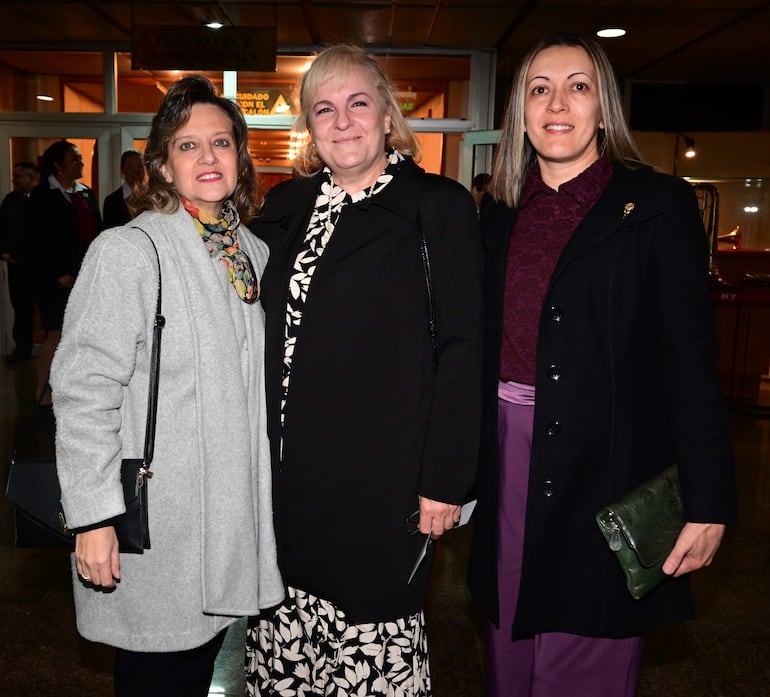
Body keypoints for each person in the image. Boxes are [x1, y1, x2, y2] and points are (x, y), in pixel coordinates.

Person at [466, 33, 737, 697]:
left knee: (584, 655)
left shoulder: (658, 206)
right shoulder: (499, 213)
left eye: (578, 86)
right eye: (539, 88)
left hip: (607, 464)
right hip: (507, 460)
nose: (558, 103)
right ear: (521, 113)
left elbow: (690, 364)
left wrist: (708, 501)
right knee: (509, 654)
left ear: (603, 106)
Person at [245, 43, 482, 696]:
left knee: (370, 641)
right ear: (309, 125)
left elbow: (463, 346)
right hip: (286, 482)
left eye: (357, 103)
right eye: (324, 108)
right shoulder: (284, 207)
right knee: (286, 642)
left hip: (383, 480)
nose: (342, 121)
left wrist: (446, 479)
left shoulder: (436, 207)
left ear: (387, 115)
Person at [49, 75, 283, 697]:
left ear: (241, 156)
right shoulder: (129, 252)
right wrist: (94, 518)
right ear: (160, 165)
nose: (208, 158)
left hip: (226, 522)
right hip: (159, 525)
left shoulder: (252, 256)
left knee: (196, 667)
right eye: (187, 145)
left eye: (222, 142)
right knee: (155, 675)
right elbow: (83, 387)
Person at [31, 140, 103, 407]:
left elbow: (96, 232)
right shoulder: (42, 196)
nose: (81, 163)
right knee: (56, 335)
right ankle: (42, 391)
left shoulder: (85, 193)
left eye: (80, 159)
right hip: (56, 282)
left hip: (83, 278)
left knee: (81, 336)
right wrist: (57, 273)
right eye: (74, 159)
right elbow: (37, 242)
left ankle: (73, 388)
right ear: (58, 165)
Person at [0, 161, 39, 364]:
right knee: (21, 308)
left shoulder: (43, 200)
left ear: (30, 178)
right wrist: (4, 253)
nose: (14, 180)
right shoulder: (11, 200)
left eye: (18, 176)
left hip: (40, 267)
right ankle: (22, 347)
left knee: (45, 309)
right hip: (17, 266)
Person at [102, 148, 146, 228]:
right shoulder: (112, 202)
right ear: (122, 169)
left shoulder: (156, 196)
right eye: (130, 167)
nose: (136, 171)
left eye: (140, 166)